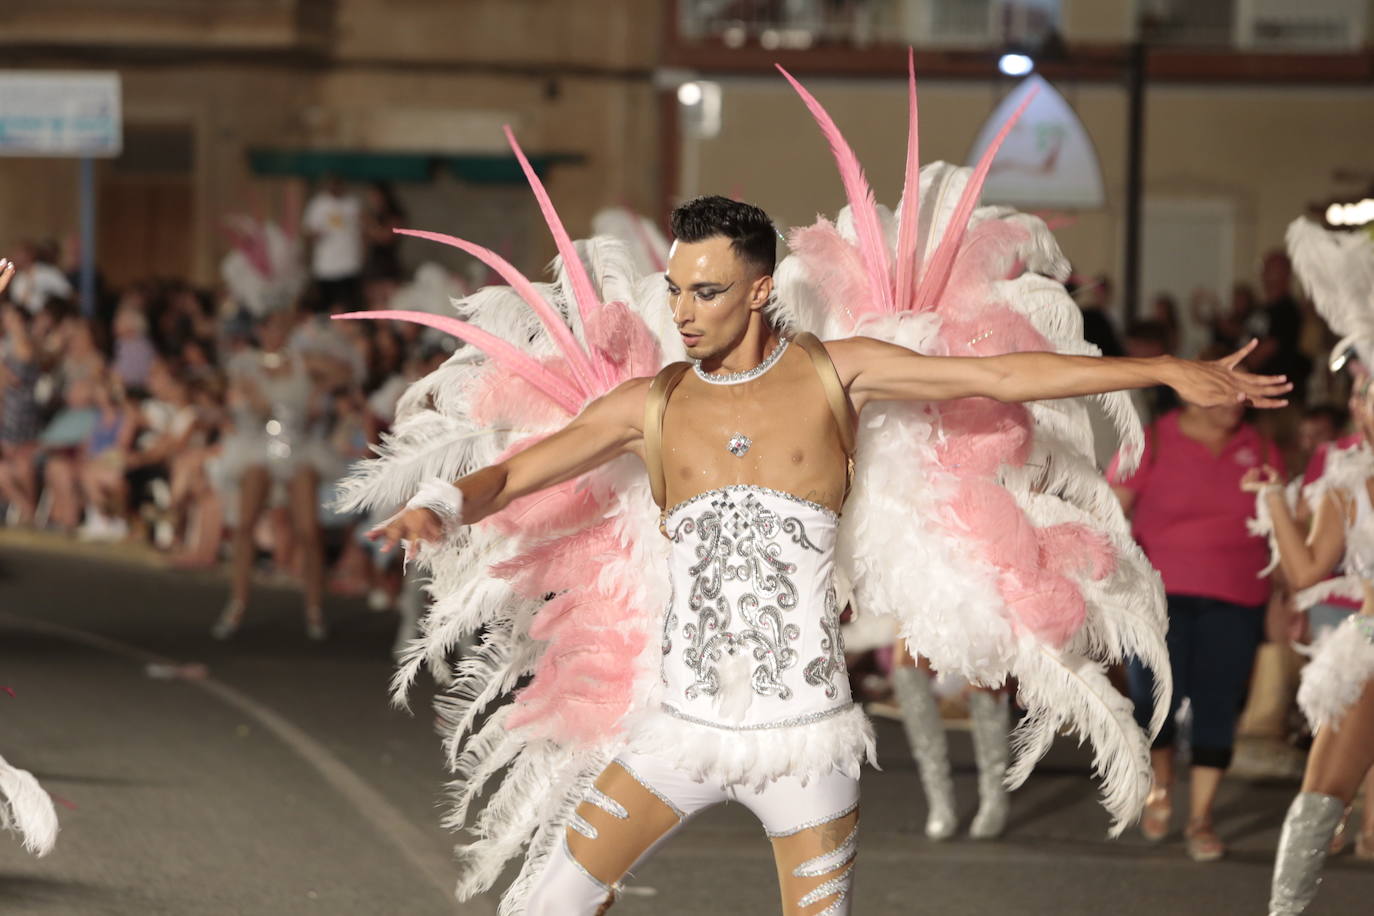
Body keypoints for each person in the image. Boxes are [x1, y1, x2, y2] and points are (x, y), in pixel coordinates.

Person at [368, 189, 1285, 914]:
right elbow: (513, 474)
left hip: (808, 743)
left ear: (762, 289)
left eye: (709, 291)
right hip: (675, 734)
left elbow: (999, 375)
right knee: (550, 905)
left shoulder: (834, 372)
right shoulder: (649, 403)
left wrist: (1161, 371)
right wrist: (437, 504)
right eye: (676, 291)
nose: (685, 312)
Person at [1247, 219, 1374, 914]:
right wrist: (1273, 500)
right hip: (1371, 653)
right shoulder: (1345, 485)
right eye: (1356, 393)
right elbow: (1305, 573)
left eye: (1366, 392)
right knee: (1323, 794)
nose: (1357, 405)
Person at [1109, 384, 1284, 861]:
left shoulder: (1262, 446)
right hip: (1158, 597)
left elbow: (1280, 528)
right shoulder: (1150, 442)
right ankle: (1162, 782)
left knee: (1218, 703)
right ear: (1190, 393)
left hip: (1238, 595)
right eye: (1225, 390)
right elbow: (1107, 513)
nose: (1237, 401)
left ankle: (1201, 816)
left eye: (1242, 392)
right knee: (1154, 698)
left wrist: (1283, 598)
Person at [302, 175, 364, 313]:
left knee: (349, 306)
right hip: (326, 266)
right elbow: (307, 233)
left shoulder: (353, 203)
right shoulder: (318, 204)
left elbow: (362, 230)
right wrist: (317, 235)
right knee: (328, 306)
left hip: (349, 264)